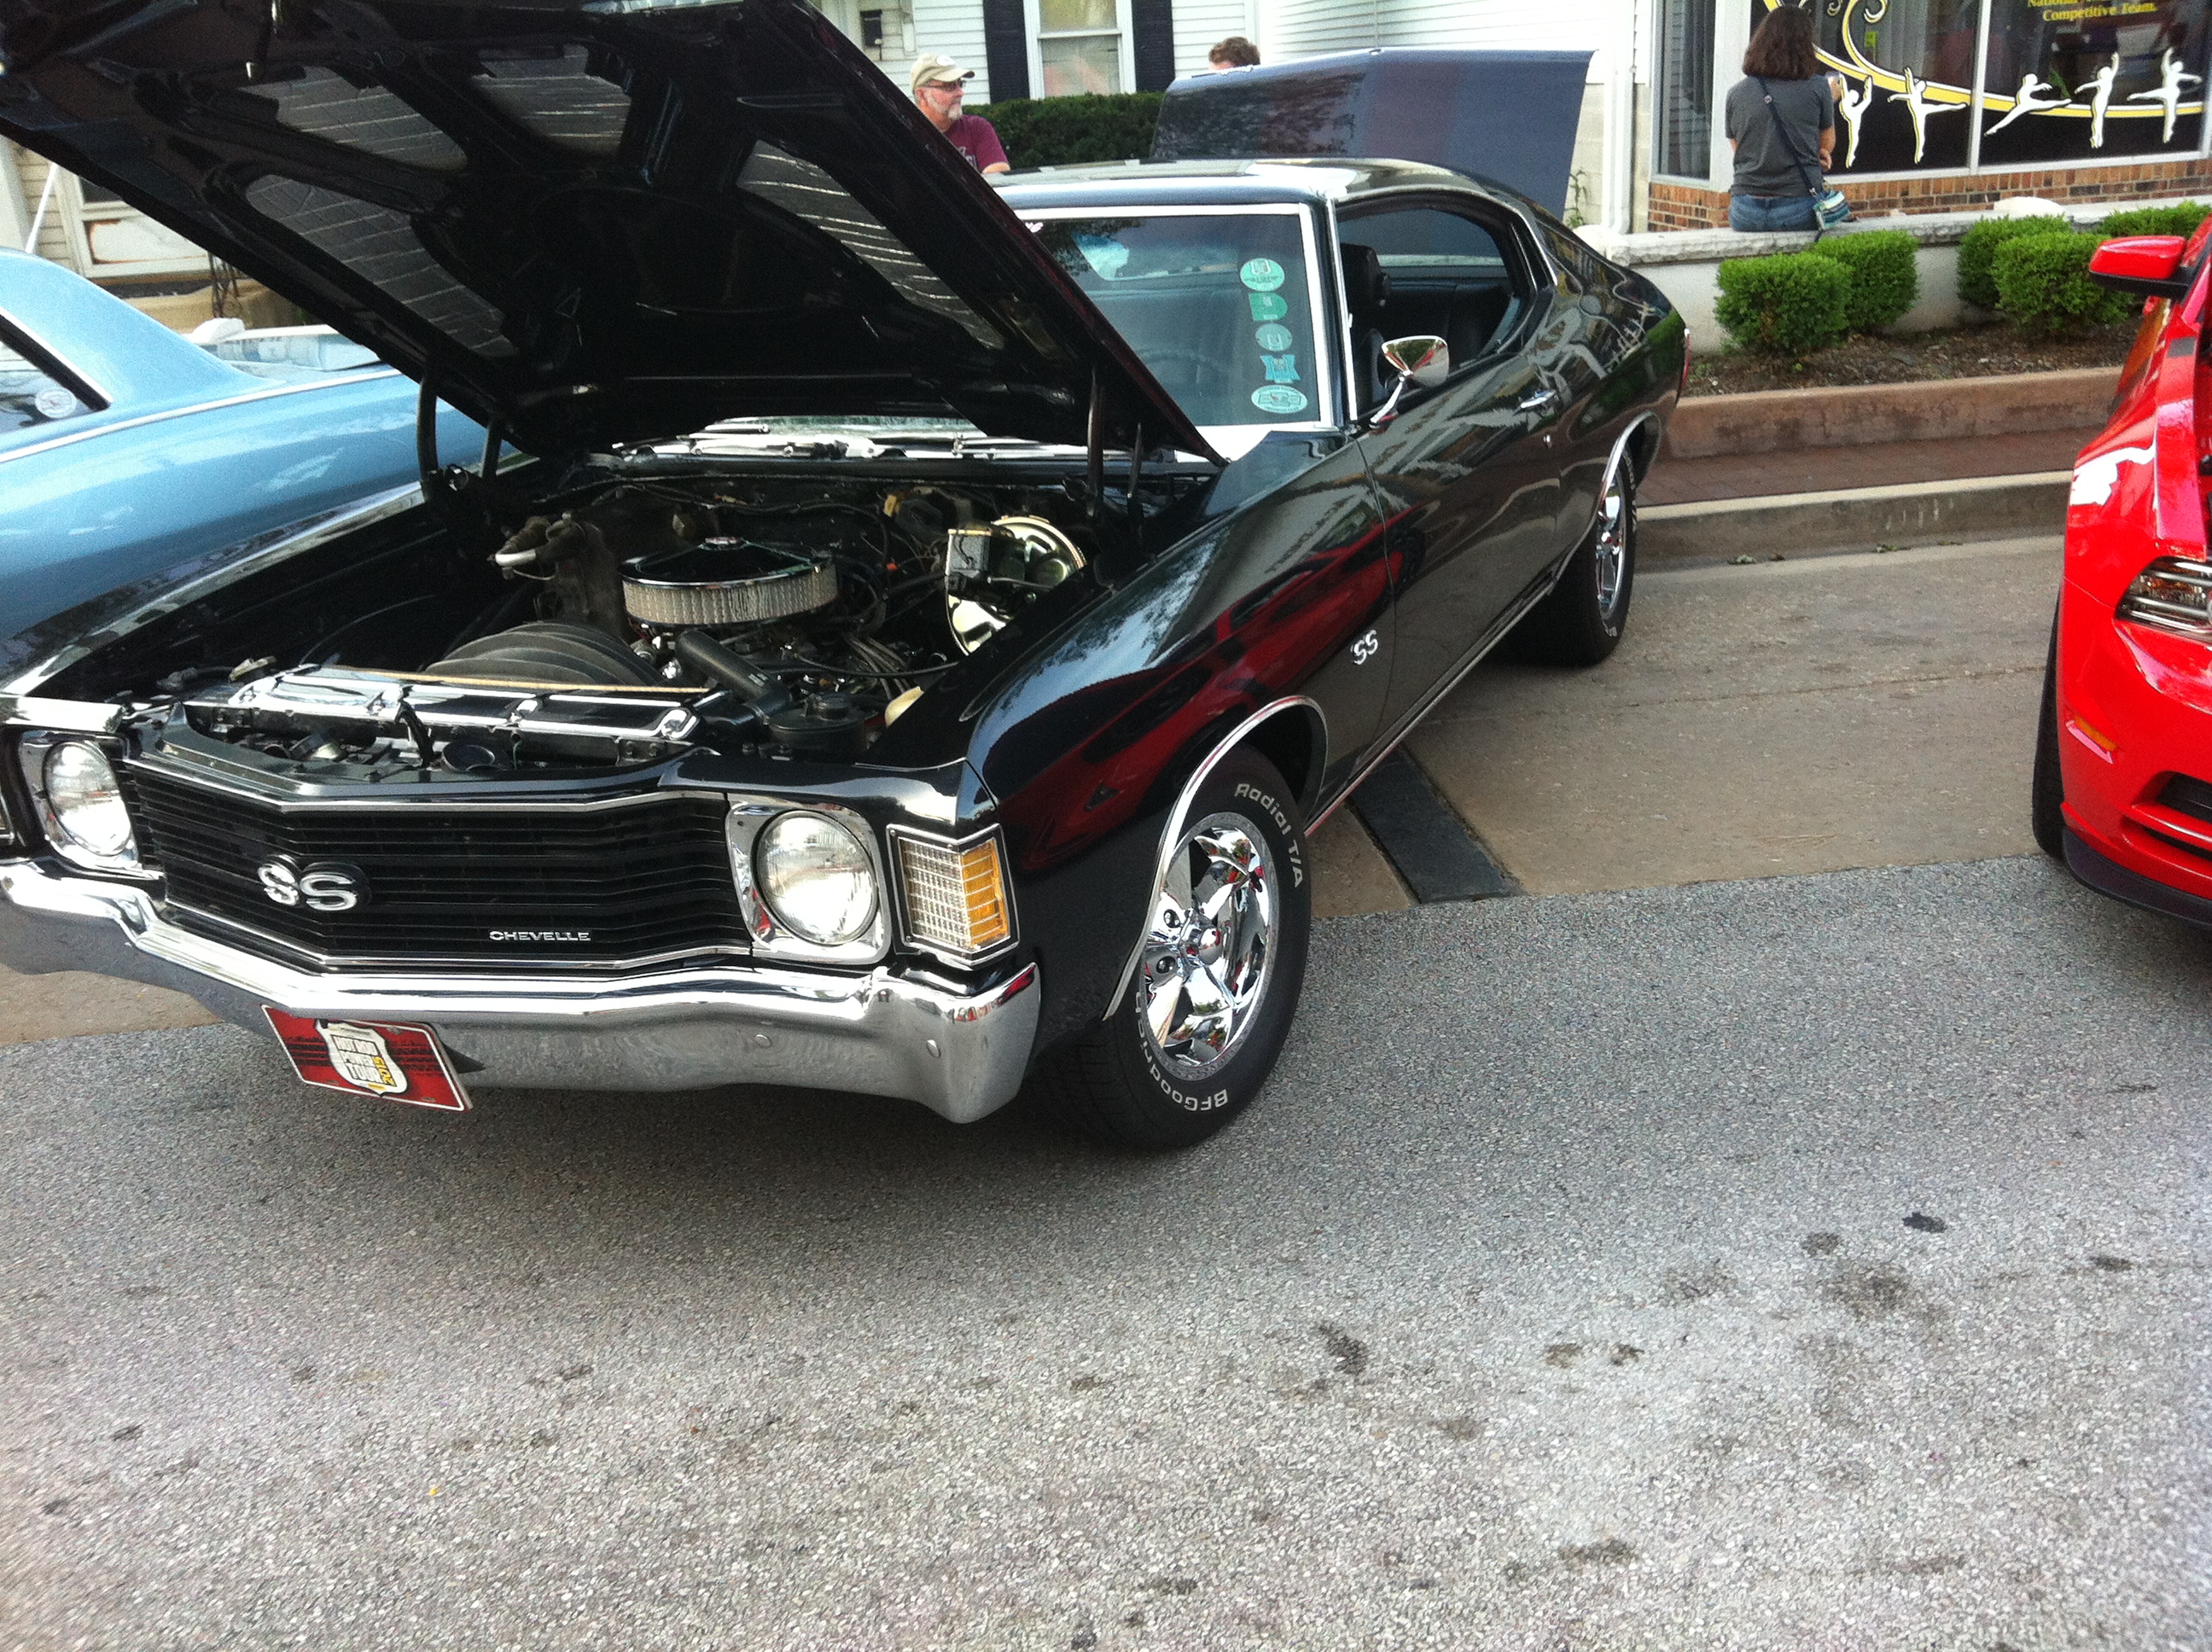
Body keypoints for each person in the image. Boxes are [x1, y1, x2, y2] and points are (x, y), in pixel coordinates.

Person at [1723, 5, 1836, 232]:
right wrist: (1830, 100)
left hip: (1745, 211)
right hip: (1798, 207)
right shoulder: (1819, 87)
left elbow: (1740, 149)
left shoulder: (1736, 93)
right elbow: (1825, 146)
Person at [911, 54, 1010, 174]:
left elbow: (999, 174)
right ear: (921, 95)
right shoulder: (905, 135)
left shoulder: (976, 128)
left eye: (960, 84)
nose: (960, 93)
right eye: (949, 86)